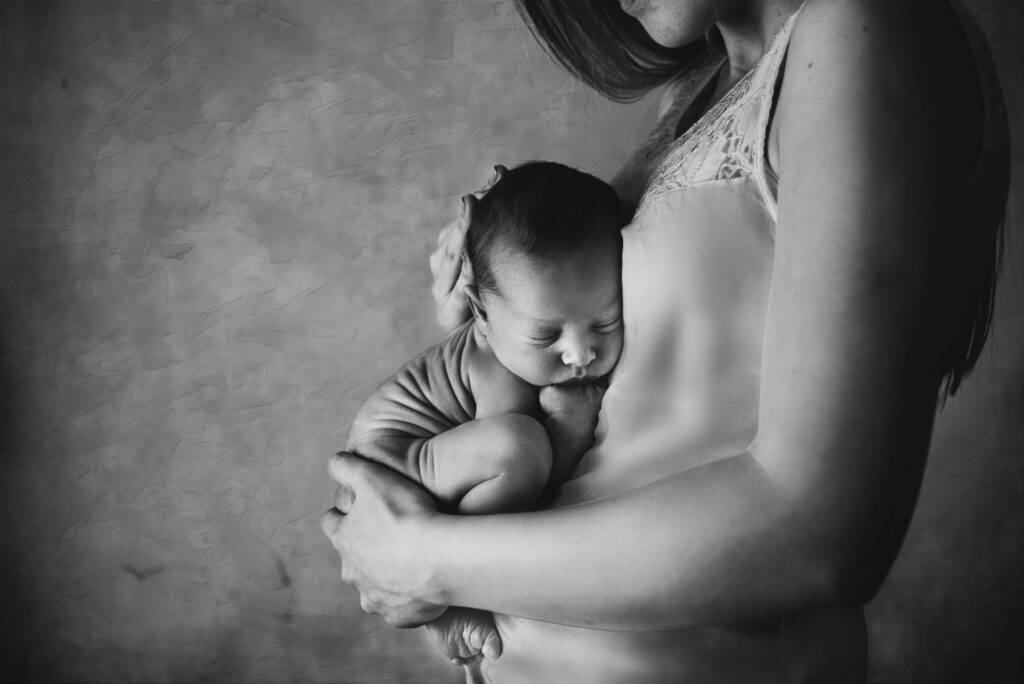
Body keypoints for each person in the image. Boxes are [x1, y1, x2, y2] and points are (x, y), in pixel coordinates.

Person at [322, 0, 1011, 681]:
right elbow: (648, 402)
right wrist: (494, 312)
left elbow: (823, 534)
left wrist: (428, 561)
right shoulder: (699, 86)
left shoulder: (866, 29)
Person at [343, 161, 626, 665]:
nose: (580, 353)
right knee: (519, 446)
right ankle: (453, 599)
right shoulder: (498, 369)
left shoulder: (531, 348)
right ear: (480, 313)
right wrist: (570, 427)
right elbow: (527, 478)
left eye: (606, 321)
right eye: (546, 335)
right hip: (393, 465)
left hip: (431, 463)